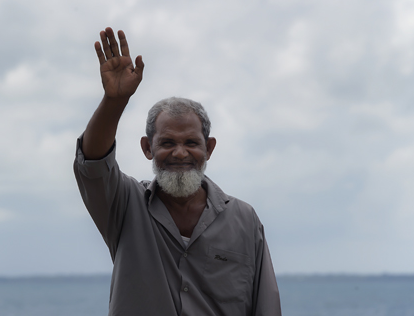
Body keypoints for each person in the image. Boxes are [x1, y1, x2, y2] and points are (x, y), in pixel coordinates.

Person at [73, 27, 282, 316]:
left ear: (209, 148)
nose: (180, 153)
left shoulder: (244, 220)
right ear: (148, 148)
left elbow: (265, 307)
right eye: (167, 142)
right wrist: (115, 101)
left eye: (191, 143)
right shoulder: (125, 206)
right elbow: (93, 163)